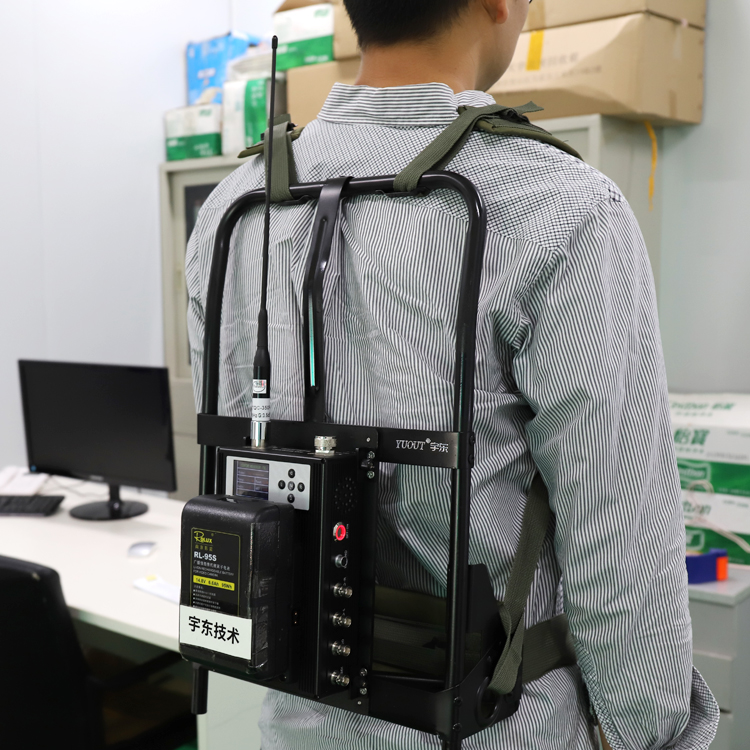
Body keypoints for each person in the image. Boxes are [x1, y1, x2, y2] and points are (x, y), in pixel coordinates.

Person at [185, 0, 719, 747]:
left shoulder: (233, 211)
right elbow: (619, 536)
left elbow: (238, 460)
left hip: (298, 724)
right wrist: (651, 733)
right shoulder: (558, 205)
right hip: (498, 727)